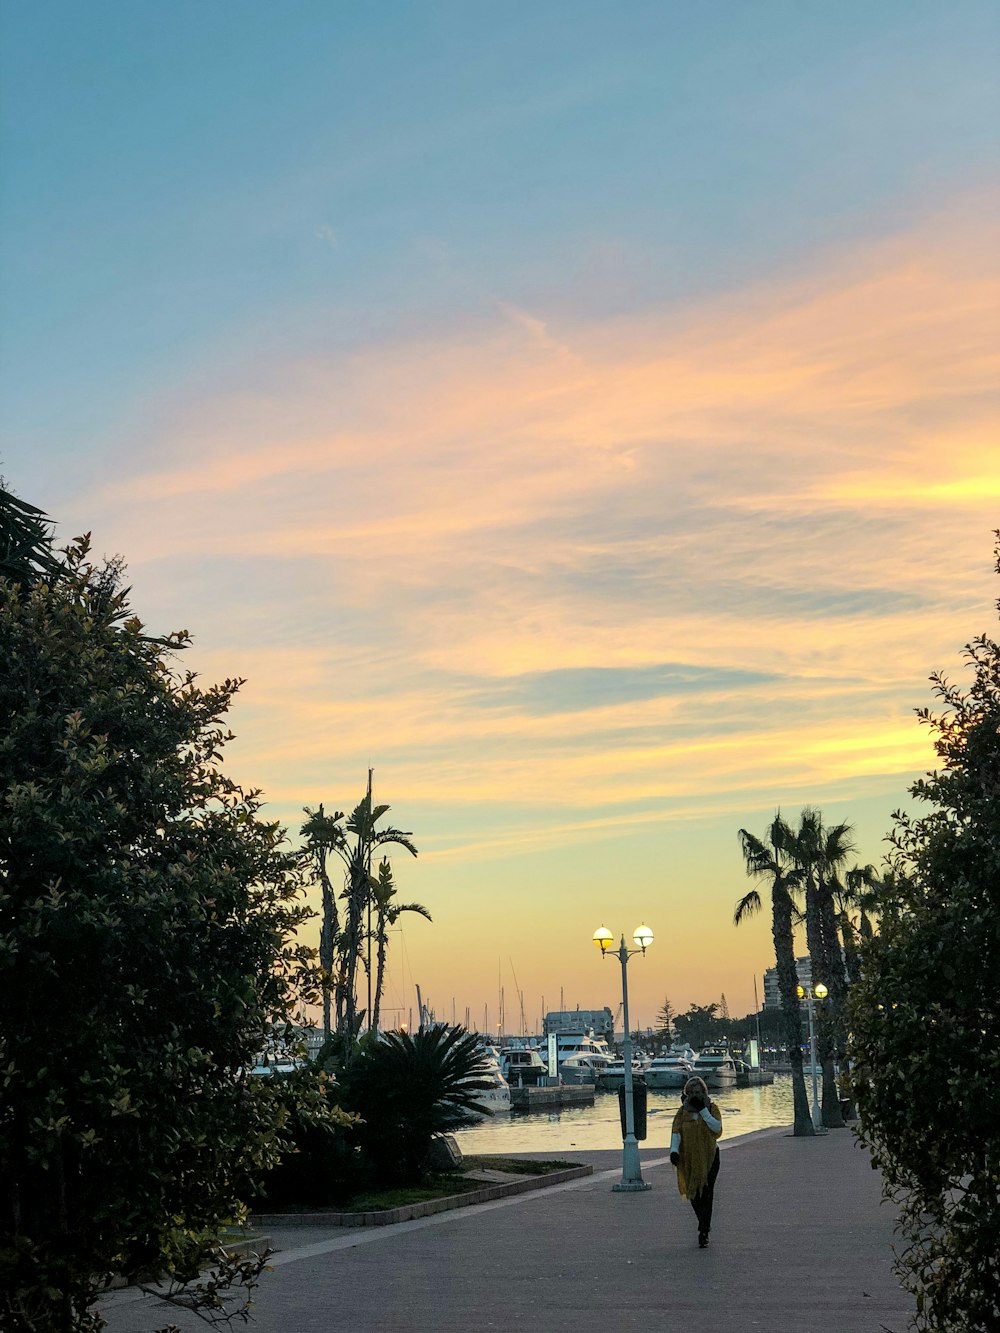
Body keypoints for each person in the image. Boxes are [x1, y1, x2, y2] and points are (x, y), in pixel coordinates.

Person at [669, 1075, 723, 1248]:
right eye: (691, 1092)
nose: (695, 1095)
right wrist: (674, 1151)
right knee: (693, 1193)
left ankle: (704, 1230)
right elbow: (676, 1132)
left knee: (706, 1194)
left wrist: (703, 1111)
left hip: (710, 1158)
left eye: (698, 1092)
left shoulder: (711, 1108)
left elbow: (717, 1128)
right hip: (689, 1159)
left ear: (704, 1092)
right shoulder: (682, 1112)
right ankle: (703, 1223)